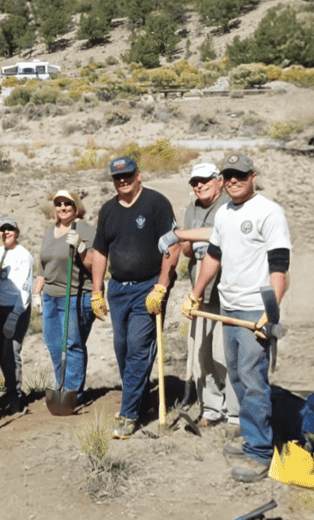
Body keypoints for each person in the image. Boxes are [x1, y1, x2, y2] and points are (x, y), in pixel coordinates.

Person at [182, 153, 290, 482]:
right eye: (228, 175)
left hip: (254, 309)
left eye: (240, 175)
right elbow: (213, 256)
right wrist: (196, 291)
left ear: (253, 176)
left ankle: (260, 453)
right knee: (238, 378)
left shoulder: (269, 212)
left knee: (253, 379)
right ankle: (250, 436)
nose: (233, 181)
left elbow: (279, 265)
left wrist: (270, 313)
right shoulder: (226, 214)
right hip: (227, 306)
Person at [89, 157, 179, 439]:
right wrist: (96, 290)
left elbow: (172, 246)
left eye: (128, 175)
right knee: (122, 348)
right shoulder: (107, 211)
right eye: (117, 177)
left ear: (138, 175)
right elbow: (100, 252)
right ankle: (137, 400)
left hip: (148, 286)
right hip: (117, 289)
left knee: (139, 346)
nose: (123, 181)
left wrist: (162, 286)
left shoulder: (156, 203)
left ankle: (128, 414)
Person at [171, 162, 240, 428]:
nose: (199, 185)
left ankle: (234, 412)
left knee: (225, 353)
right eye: (194, 182)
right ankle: (211, 408)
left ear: (219, 180)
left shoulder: (228, 205)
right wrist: (185, 242)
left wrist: (181, 234)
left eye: (204, 180)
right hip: (199, 288)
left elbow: (219, 234)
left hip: (226, 289)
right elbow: (187, 251)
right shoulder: (192, 208)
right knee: (203, 353)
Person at [35, 190, 96, 404]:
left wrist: (80, 248)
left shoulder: (85, 229)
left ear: (76, 205)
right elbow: (43, 266)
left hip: (75, 295)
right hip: (50, 297)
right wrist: (37, 293)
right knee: (54, 345)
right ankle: (61, 385)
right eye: (58, 204)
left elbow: (95, 264)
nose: (62, 207)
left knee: (71, 344)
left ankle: (73, 393)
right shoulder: (48, 231)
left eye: (67, 203)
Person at [0, 217, 34, 411]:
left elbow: (26, 287)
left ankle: (15, 395)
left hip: (17, 308)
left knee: (12, 351)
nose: (6, 232)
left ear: (16, 232)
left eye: (10, 229)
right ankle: (9, 388)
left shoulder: (24, 255)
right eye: (2, 229)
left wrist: (15, 315)